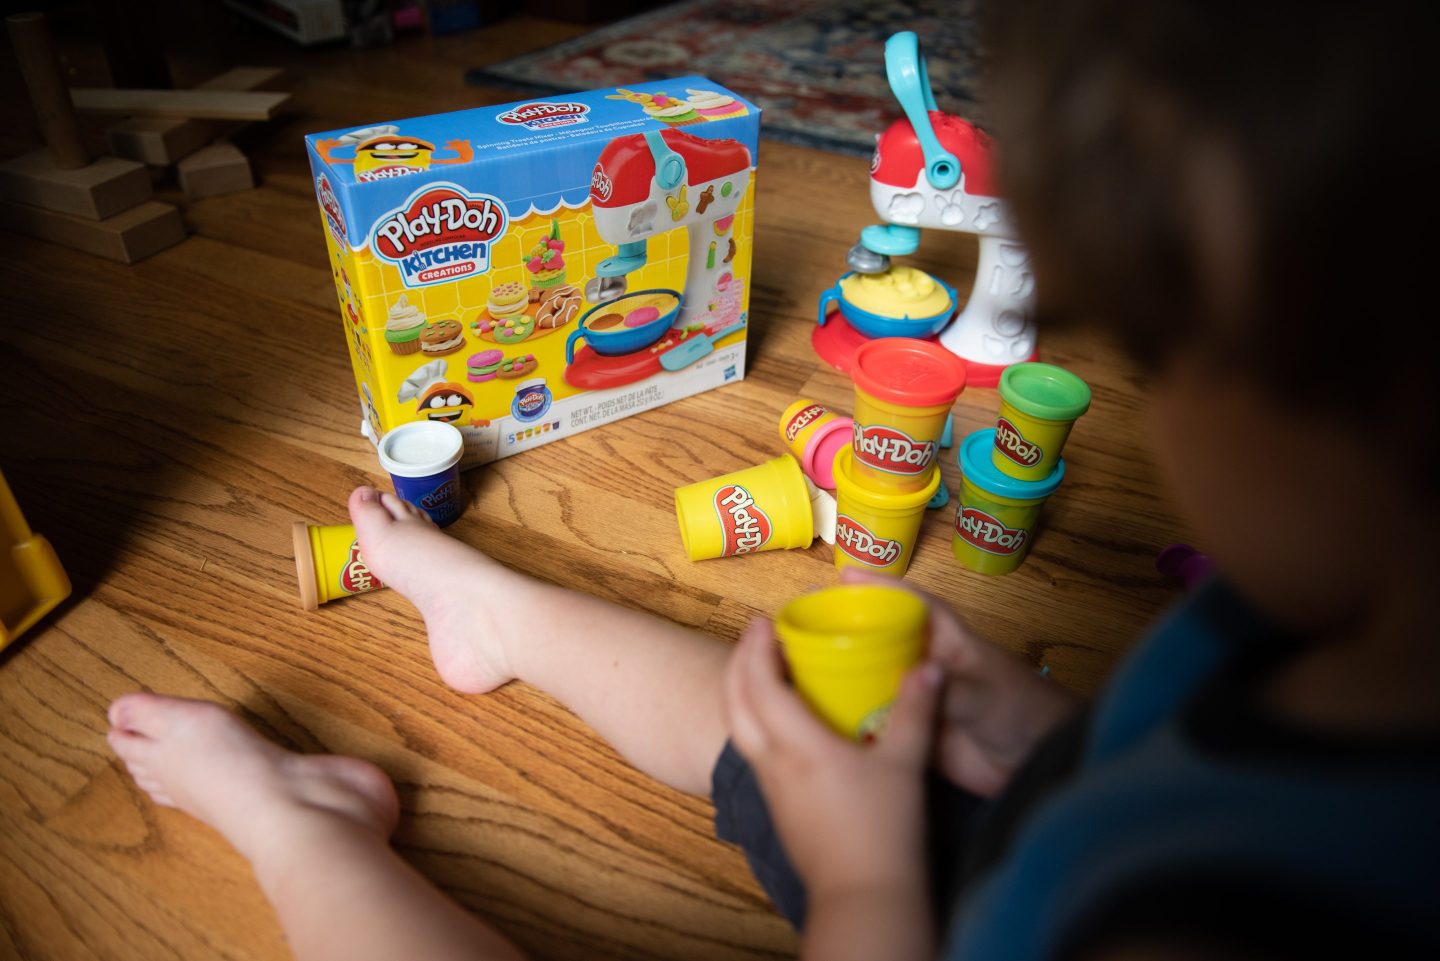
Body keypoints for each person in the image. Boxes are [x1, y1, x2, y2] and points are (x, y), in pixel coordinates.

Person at [108, 0, 1437, 958]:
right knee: (777, 705)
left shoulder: (1229, 917)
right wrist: (1055, 748)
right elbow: (1191, 765)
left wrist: (865, 878)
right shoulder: (1328, 620)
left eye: (1167, 348)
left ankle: (297, 833)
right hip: (1033, 826)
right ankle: (488, 610)